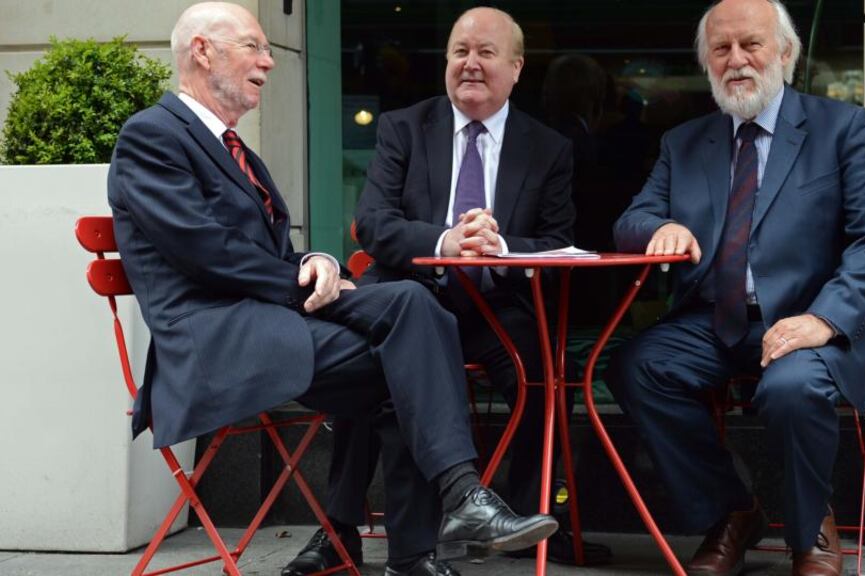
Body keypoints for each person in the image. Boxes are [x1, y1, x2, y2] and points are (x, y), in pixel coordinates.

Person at [106, 4, 558, 576]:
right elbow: (207, 251)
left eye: (268, 49)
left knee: (416, 306)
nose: (269, 61)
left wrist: (316, 261)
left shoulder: (229, 147)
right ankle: (434, 532)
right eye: (254, 46)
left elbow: (265, 255)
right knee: (411, 355)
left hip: (266, 315)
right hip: (215, 340)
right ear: (202, 51)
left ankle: (444, 514)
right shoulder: (153, 136)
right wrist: (302, 286)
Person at [286, 7, 612, 573]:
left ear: (516, 68)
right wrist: (447, 239)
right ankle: (339, 531)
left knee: (541, 372)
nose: (471, 64)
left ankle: (529, 521)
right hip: (407, 297)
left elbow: (556, 242)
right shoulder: (405, 127)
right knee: (376, 367)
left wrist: (499, 248)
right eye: (460, 51)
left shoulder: (548, 147)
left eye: (487, 53)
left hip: (494, 307)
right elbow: (374, 223)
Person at [605, 1, 865, 575]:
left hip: (811, 319)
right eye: (721, 49)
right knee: (634, 366)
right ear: (706, 62)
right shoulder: (685, 143)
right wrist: (659, 226)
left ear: (785, 53)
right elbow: (631, 219)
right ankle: (733, 511)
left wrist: (824, 319)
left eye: (751, 45)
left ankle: (809, 523)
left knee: (790, 388)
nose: (736, 60)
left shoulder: (840, 127)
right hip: (714, 321)